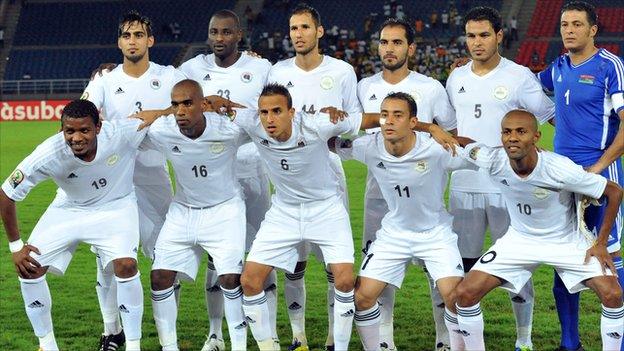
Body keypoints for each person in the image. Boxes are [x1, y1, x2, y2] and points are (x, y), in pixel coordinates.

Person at [453, 110, 624, 351]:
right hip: (519, 241)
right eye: (507, 132)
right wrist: (432, 129)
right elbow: (466, 144)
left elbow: (614, 191)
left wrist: (601, 243)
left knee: (613, 295)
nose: (512, 137)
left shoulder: (559, 169)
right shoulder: (493, 159)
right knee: (465, 293)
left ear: (536, 136)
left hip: (565, 242)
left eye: (521, 132)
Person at [0, 99, 155, 351]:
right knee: (29, 268)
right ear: (62, 130)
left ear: (98, 127)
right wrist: (16, 247)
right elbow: (6, 194)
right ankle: (47, 345)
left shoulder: (120, 132)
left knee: (126, 265)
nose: (76, 138)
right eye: (69, 131)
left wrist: (171, 110)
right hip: (69, 208)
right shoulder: (49, 153)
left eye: (84, 130)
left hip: (116, 207)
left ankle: (133, 345)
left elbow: (150, 117)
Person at [445, 6, 555, 351]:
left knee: (516, 266)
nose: (476, 43)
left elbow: (550, 118)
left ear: (499, 36)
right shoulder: (456, 77)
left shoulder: (519, 76)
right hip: (464, 185)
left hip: (509, 187)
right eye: (471, 36)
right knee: (463, 267)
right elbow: (450, 129)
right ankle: (465, 341)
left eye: (483, 35)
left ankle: (524, 340)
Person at [233, 83, 373, 351]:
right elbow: (216, 105)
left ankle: (339, 347)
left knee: (344, 280)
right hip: (284, 211)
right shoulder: (253, 123)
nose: (269, 119)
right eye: (264, 112)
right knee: (249, 281)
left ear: (292, 112)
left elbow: (370, 119)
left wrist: (431, 128)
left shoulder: (317, 124)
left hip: (326, 209)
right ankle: (268, 347)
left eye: (277, 111)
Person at [81, 11, 186, 350]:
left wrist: (160, 113)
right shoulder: (105, 82)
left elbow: (193, 106)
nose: (132, 41)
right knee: (110, 260)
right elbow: (81, 115)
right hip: (114, 182)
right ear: (119, 42)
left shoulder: (169, 77)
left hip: (156, 177)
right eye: (126, 36)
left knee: (165, 260)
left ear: (150, 40)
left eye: (138, 35)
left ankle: (167, 336)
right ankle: (111, 332)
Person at [335, 92, 470, 351]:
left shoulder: (436, 149)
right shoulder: (369, 146)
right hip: (394, 234)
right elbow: (333, 143)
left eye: (398, 115)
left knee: (455, 298)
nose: (388, 121)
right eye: (384, 115)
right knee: (362, 297)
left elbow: (475, 152)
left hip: (435, 234)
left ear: (413, 122)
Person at [177, 10, 277, 350]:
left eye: (225, 32)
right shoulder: (191, 70)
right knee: (215, 258)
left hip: (254, 169)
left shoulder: (261, 68)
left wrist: (227, 105)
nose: (219, 38)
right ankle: (215, 333)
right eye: (213, 32)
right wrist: (104, 69)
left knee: (263, 252)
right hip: (213, 176)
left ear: (239, 35)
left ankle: (269, 332)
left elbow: (270, 112)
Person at [356, 18, 457, 351]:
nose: (389, 48)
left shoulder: (430, 88)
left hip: (422, 191)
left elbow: (449, 133)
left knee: (435, 268)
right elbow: (355, 126)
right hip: (378, 191)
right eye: (384, 42)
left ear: (410, 48)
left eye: (397, 42)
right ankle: (384, 336)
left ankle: (443, 338)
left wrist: (430, 130)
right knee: (377, 266)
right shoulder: (364, 86)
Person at [266, 4, 361, 350]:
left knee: (335, 267)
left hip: (328, 172)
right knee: (294, 262)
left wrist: (341, 124)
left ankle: (335, 340)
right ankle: (298, 336)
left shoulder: (341, 72)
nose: (299, 34)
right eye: (293, 28)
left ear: (319, 32)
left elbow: (356, 119)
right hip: (288, 173)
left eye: (305, 27)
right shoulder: (277, 72)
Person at [537, 2, 624, 350]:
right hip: (563, 179)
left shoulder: (610, 66)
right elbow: (519, 82)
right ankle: (569, 343)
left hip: (601, 177)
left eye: (576, 24)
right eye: (563, 24)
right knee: (565, 258)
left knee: (610, 257)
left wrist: (599, 168)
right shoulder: (557, 68)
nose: (568, 30)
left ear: (592, 30)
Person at [144, 80, 249, 351]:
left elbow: (262, 123)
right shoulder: (162, 130)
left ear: (204, 105)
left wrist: (232, 109)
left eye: (187, 103)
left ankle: (238, 345)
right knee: (159, 278)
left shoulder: (229, 129)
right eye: (175, 104)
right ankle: (169, 347)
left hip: (225, 210)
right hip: (183, 211)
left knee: (230, 279)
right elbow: (124, 131)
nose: (180, 111)